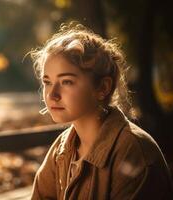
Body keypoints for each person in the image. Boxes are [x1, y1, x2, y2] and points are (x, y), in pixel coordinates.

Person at [30, 23, 173, 199]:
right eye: (47, 82)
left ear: (103, 88)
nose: (52, 94)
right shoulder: (62, 148)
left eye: (66, 81)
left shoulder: (134, 152)